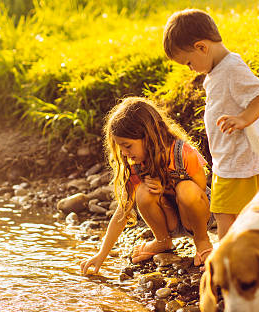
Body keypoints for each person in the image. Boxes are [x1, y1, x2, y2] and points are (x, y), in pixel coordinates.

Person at [162, 8, 259, 239]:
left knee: (228, 213)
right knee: (227, 213)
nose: (190, 68)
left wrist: (243, 119)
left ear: (202, 47)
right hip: (228, 160)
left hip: (241, 161)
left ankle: (230, 261)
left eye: (189, 62)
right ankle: (238, 256)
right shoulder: (218, 71)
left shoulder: (232, 68)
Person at [80, 97, 213, 275]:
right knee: (143, 191)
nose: (124, 153)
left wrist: (167, 186)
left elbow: (199, 192)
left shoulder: (183, 153)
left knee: (185, 188)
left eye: (127, 146)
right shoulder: (137, 165)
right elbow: (123, 210)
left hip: (197, 218)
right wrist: (102, 254)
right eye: (121, 148)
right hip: (171, 220)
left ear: (149, 137)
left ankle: (202, 240)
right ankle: (163, 240)